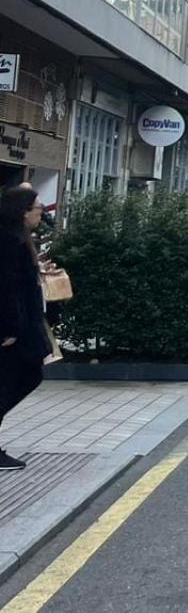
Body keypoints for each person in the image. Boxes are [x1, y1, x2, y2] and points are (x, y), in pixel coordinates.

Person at [0, 187, 50, 471]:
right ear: (23, 211)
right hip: (12, 331)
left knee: (24, 377)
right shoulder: (9, 242)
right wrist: (10, 329)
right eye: (38, 209)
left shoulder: (18, 240)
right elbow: (6, 289)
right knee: (18, 379)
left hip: (20, 327)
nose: (40, 215)